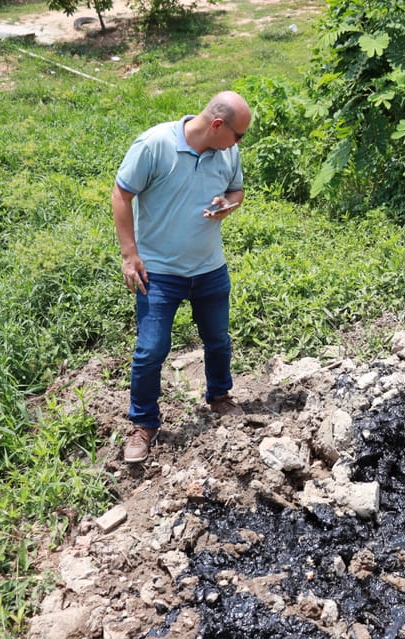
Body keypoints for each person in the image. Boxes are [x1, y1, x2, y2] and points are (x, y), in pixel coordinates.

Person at [112, 90, 251, 463]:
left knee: (218, 339)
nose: (239, 144)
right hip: (159, 271)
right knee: (150, 350)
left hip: (209, 268)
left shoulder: (228, 153)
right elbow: (121, 194)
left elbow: (236, 191)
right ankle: (143, 424)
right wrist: (130, 255)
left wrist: (228, 205)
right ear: (218, 125)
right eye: (238, 135)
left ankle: (219, 396)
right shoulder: (155, 145)